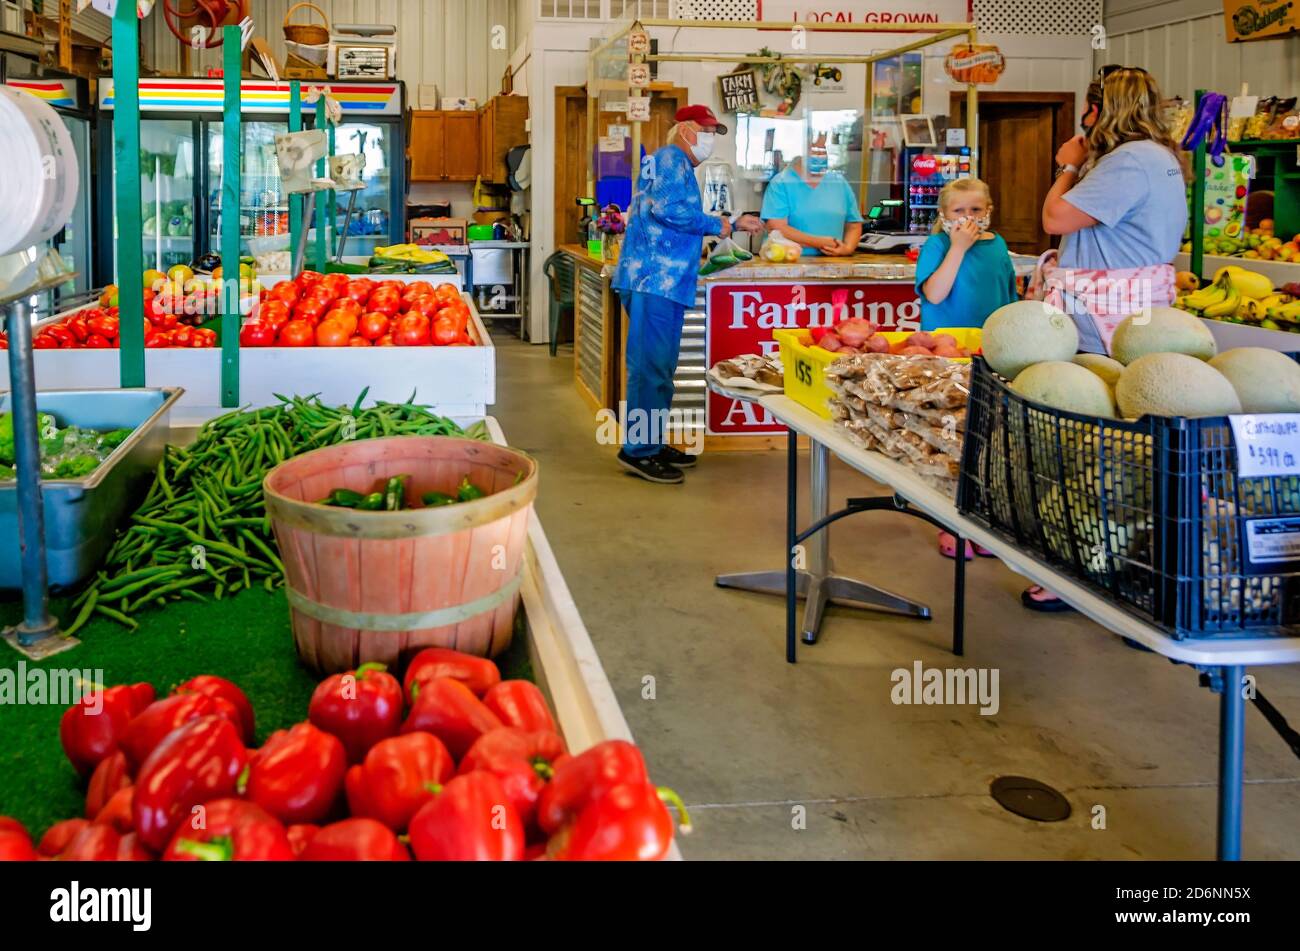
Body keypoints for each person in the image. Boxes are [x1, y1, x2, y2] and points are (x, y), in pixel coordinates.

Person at [1022, 65, 1190, 612]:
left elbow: (1054, 217)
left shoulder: (1127, 162)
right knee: (1135, 437)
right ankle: (1126, 562)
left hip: (1106, 315)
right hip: (1138, 311)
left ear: (1099, 112)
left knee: (1094, 437)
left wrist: (1068, 166)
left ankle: (1086, 565)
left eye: (1087, 114)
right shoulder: (1160, 159)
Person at [611, 104, 764, 484]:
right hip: (654, 281)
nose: (710, 138)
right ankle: (638, 451)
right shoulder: (670, 158)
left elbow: (670, 215)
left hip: (662, 281)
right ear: (685, 130)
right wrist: (721, 224)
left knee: (660, 369)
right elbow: (668, 210)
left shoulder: (675, 164)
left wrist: (721, 228)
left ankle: (651, 440)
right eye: (706, 129)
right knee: (650, 370)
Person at [914, 176, 1016, 560]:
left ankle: (982, 520)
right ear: (944, 215)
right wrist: (957, 246)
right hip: (946, 354)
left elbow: (1008, 294)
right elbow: (935, 292)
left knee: (989, 437)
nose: (968, 217)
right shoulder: (939, 244)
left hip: (989, 350)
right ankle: (949, 521)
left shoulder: (999, 245)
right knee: (950, 435)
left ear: (989, 212)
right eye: (959, 211)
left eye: (976, 210)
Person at [759, 136, 863, 256]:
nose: (820, 155)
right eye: (815, 149)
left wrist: (847, 248)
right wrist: (821, 243)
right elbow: (777, 228)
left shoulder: (838, 182)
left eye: (823, 150)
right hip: (788, 262)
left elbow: (854, 224)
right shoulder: (782, 183)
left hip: (833, 263)